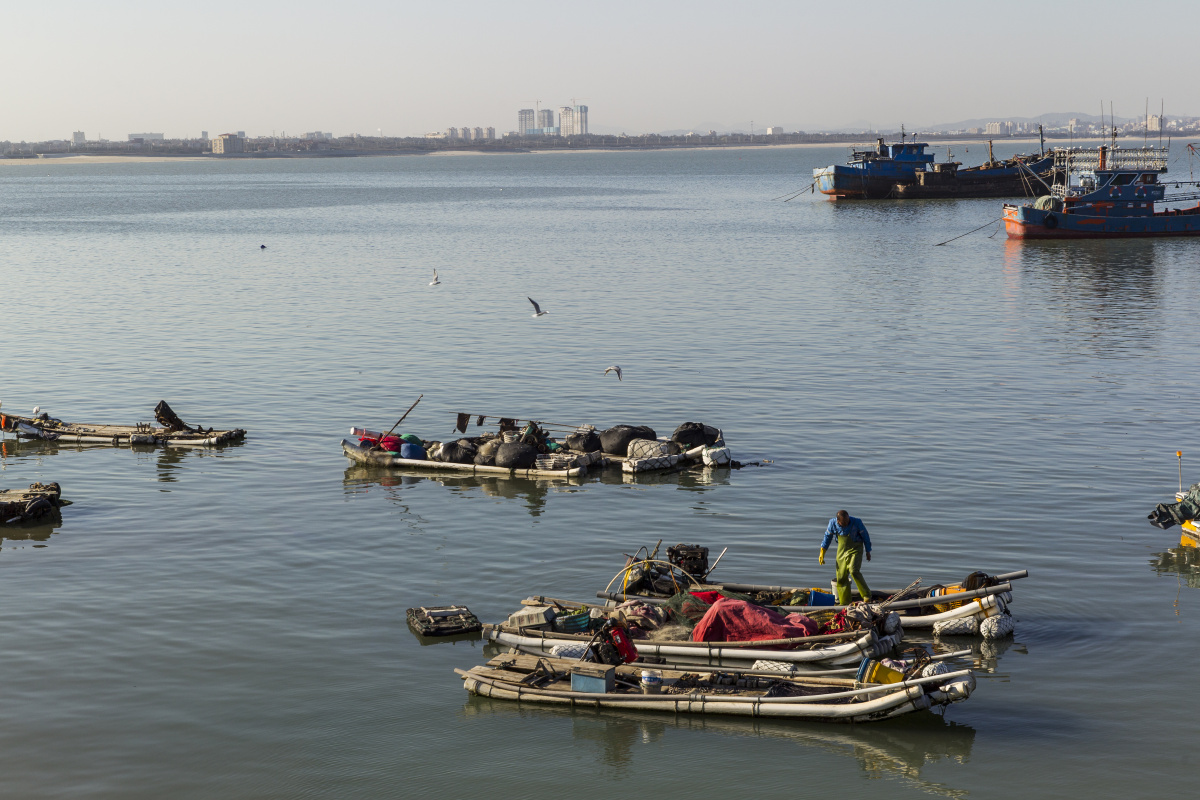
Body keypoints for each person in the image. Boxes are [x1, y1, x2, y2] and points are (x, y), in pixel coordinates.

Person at [819, 510, 873, 604]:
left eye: (847, 521)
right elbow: (827, 537)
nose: (846, 524)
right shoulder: (832, 523)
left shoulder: (857, 522)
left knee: (853, 570)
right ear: (838, 521)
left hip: (856, 548)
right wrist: (822, 552)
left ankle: (866, 595)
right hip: (842, 550)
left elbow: (866, 537)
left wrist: (868, 551)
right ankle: (845, 601)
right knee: (841, 575)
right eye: (843, 523)